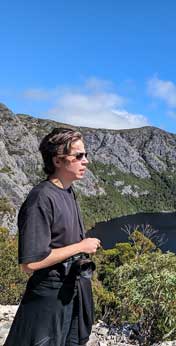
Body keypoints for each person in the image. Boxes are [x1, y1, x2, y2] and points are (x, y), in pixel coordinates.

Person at [5, 128, 101, 346]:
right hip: (51, 297)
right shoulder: (41, 198)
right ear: (58, 160)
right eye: (78, 156)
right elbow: (31, 263)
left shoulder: (68, 191)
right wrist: (80, 246)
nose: (85, 161)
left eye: (85, 155)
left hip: (73, 291)